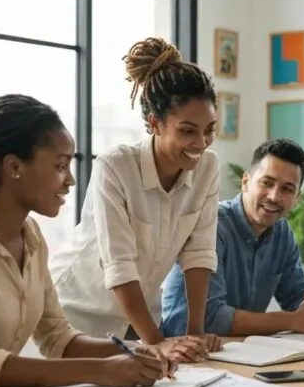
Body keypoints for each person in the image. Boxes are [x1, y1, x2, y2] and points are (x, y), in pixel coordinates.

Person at [0, 94, 174, 387]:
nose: (71, 180)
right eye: (60, 166)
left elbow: (57, 338)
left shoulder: (31, 236)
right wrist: (103, 370)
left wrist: (137, 350)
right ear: (14, 166)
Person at [50, 37, 222, 362]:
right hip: (76, 315)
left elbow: (199, 253)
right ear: (155, 123)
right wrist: (156, 342)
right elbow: (119, 264)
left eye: (209, 130)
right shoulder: (115, 166)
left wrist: (195, 333)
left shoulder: (207, 168)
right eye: (188, 131)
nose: (201, 143)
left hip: (137, 322)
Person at [160, 139, 304, 337]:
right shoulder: (211, 226)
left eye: (287, 189)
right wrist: (292, 320)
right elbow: (208, 317)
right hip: (179, 345)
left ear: (296, 198)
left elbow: (299, 298)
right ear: (245, 182)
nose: (274, 196)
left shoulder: (282, 234)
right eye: (267, 183)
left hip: (237, 350)